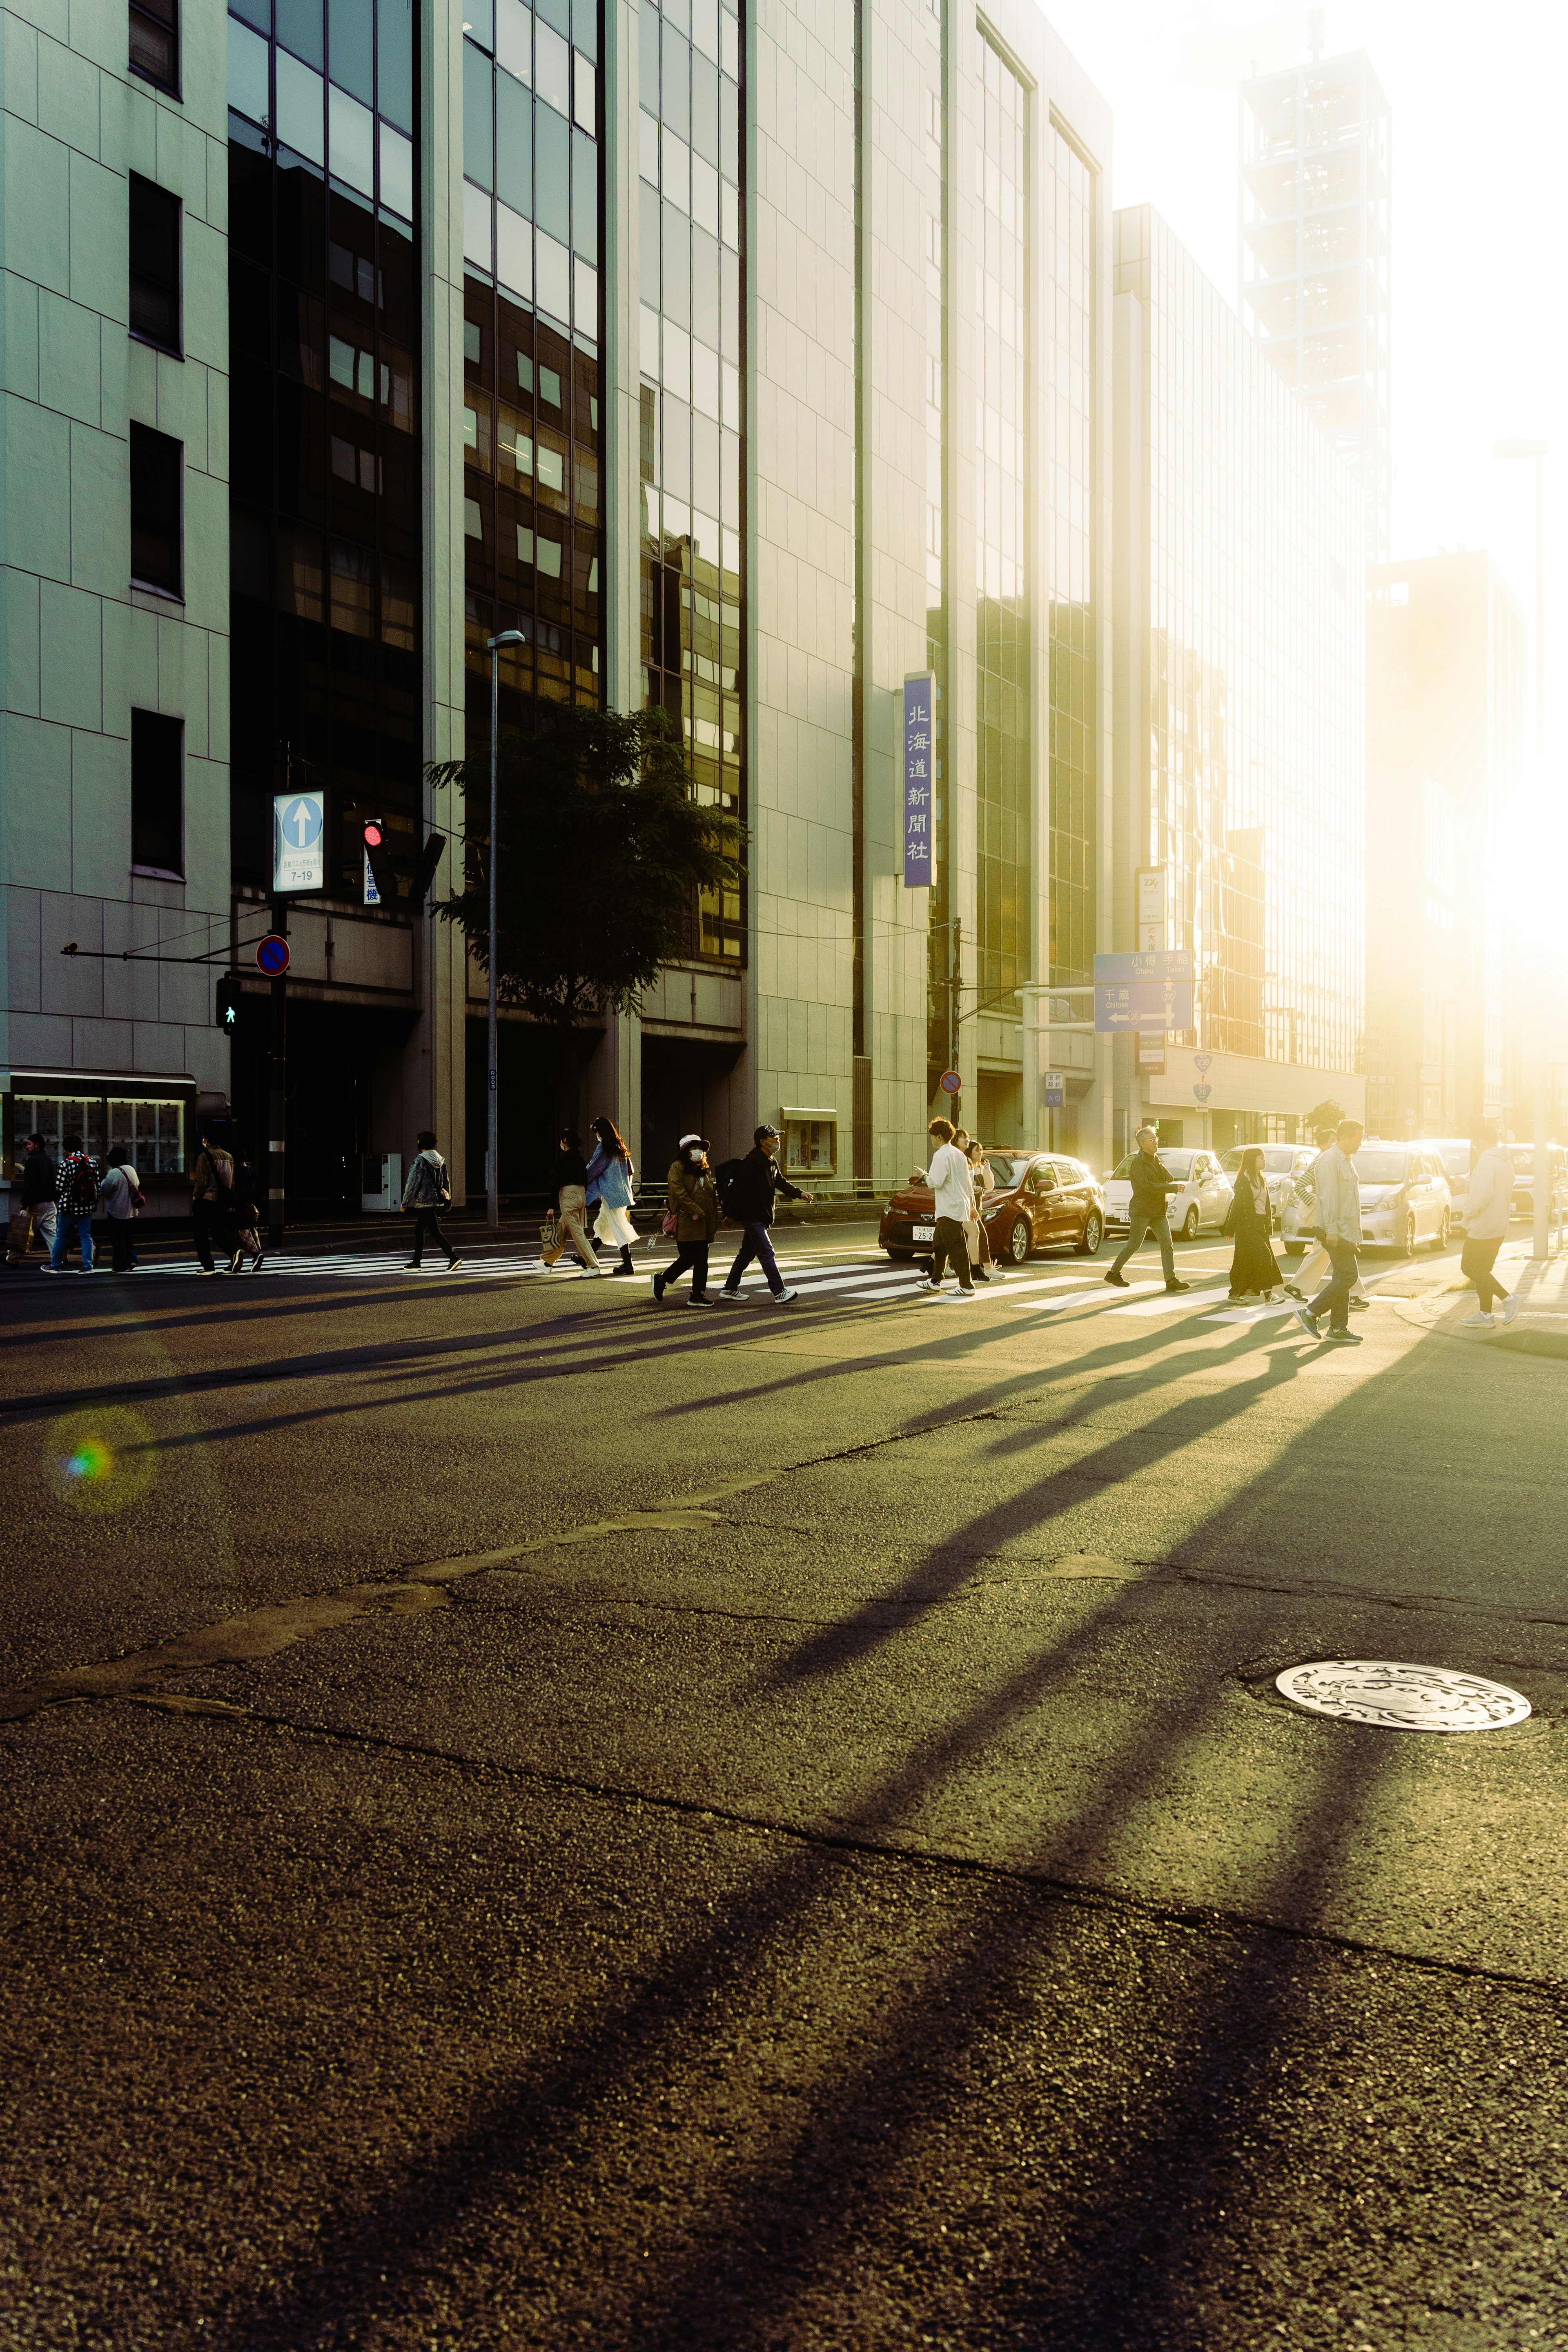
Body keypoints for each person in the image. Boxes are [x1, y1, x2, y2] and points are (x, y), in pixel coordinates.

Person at [715, 1125, 811, 1304]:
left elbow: (781, 1183)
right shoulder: (753, 1162)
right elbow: (739, 1191)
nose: (777, 1140)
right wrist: (731, 1215)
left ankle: (729, 1288)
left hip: (763, 1216)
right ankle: (779, 1292)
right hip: (753, 1217)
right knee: (767, 1252)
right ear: (763, 1142)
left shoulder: (771, 1161)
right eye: (774, 1137)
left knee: (746, 1255)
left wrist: (800, 1194)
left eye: (777, 1137)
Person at [1294, 1118, 1364, 1345]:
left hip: (1346, 1231)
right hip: (1335, 1231)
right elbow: (1329, 1198)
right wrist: (1333, 1230)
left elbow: (1349, 1200)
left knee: (1341, 1277)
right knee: (1348, 1276)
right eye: (1358, 1139)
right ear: (1344, 1137)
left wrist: (1355, 1234)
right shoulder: (1329, 1160)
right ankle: (1311, 1312)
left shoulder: (1346, 1160)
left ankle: (1338, 1328)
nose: (1360, 1144)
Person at [1103, 1127, 1188, 1293]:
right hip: (1142, 1210)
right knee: (1134, 1245)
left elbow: (1168, 1178)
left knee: (1167, 1245)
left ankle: (1171, 1280)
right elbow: (1146, 1187)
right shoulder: (1138, 1163)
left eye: (1156, 1138)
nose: (1156, 1142)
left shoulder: (1155, 1159)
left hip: (1158, 1211)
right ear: (1143, 1144)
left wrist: (1160, 1165)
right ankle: (1113, 1273)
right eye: (1152, 1140)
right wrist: (1172, 1188)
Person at [1457, 1123, 1518, 1331]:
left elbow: (1482, 1196)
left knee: (1470, 1268)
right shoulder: (1504, 1161)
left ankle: (1508, 1299)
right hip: (1499, 1225)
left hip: (1483, 1225)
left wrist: (1467, 1216)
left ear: (1482, 1142)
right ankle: (1485, 1315)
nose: (1474, 1147)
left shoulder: (1486, 1161)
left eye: (1474, 1144)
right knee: (1483, 1271)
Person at [653, 1134, 721, 1305]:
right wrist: (695, 1210)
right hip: (687, 1220)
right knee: (689, 1257)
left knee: (702, 1259)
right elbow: (678, 1191)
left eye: (700, 1149)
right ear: (685, 1151)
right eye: (694, 1148)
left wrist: (715, 1218)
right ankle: (662, 1280)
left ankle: (697, 1294)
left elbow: (711, 1196)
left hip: (704, 1222)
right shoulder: (678, 1167)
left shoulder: (704, 1169)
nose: (699, 1152)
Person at [916, 1117, 976, 1301]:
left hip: (948, 1207)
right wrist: (972, 1206)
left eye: (933, 1136)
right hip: (958, 1206)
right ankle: (935, 1281)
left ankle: (967, 1285)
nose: (931, 1140)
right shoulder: (959, 1155)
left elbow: (936, 1182)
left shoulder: (941, 1155)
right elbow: (968, 1184)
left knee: (956, 1247)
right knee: (940, 1245)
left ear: (940, 1136)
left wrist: (924, 1175)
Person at [541, 1127, 605, 1275]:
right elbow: (586, 1179)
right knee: (562, 1230)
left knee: (577, 1233)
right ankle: (547, 1263)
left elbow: (557, 1183)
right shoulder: (581, 1159)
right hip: (580, 1194)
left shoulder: (564, 1160)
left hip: (568, 1196)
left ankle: (593, 1266)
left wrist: (551, 1207)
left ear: (565, 1141)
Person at [1225, 1145, 1284, 1303]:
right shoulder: (1243, 1181)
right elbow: (1236, 1205)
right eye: (1261, 1158)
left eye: (1264, 1157)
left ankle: (1235, 1293)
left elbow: (1265, 1206)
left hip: (1259, 1225)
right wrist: (1230, 1229)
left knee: (1244, 1261)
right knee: (1264, 1256)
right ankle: (1269, 1295)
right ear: (1253, 1160)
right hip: (1246, 1226)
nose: (1265, 1161)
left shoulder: (1262, 1179)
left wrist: (1268, 1226)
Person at [401, 1130, 463, 1272]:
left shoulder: (420, 1160)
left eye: (418, 1141)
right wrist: (448, 1201)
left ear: (421, 1143)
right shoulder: (440, 1160)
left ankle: (453, 1258)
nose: (417, 1143)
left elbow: (412, 1183)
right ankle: (416, 1262)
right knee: (419, 1230)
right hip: (436, 1200)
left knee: (435, 1232)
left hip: (425, 1202)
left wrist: (405, 1202)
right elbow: (445, 1183)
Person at [586, 1116, 639, 1276]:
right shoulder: (620, 1146)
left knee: (618, 1227)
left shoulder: (604, 1148)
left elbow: (594, 1168)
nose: (597, 1135)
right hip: (622, 1193)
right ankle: (588, 1257)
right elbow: (631, 1171)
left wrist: (582, 1181)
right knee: (603, 1225)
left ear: (601, 1132)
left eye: (597, 1132)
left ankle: (627, 1264)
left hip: (610, 1195)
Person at [46, 1134, 98, 1273]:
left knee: (61, 1236)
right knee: (86, 1236)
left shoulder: (66, 1164)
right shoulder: (92, 1162)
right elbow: (96, 1186)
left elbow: (59, 1188)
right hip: (87, 1207)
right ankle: (88, 1267)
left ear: (66, 1149)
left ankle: (55, 1266)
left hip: (68, 1207)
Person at [189, 1129, 237, 1276]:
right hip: (222, 1201)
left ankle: (208, 1266)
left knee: (201, 1234)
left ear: (208, 1141)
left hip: (206, 1200)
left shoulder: (205, 1156)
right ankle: (235, 1253)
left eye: (204, 1138)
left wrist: (196, 1198)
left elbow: (201, 1181)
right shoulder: (229, 1157)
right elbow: (232, 1181)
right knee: (217, 1232)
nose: (203, 1140)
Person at [964, 1139, 1005, 1284]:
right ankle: (988, 1267)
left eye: (981, 1150)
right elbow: (967, 1187)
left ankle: (937, 1265)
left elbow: (990, 1186)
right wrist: (974, 1189)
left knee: (957, 1238)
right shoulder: (967, 1166)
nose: (980, 1153)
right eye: (977, 1150)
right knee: (980, 1235)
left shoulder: (980, 1167)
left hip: (977, 1207)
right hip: (967, 1207)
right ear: (969, 1151)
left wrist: (987, 1170)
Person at [11, 1134, 56, 1266]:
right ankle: (58, 1258)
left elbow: (30, 1185)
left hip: (35, 1204)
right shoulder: (49, 1161)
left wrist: (24, 1204)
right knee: (51, 1234)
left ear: (37, 1145)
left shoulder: (32, 1162)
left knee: (22, 1232)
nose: (27, 1147)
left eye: (30, 1144)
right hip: (50, 1204)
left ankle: (12, 1259)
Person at [98, 1145, 143, 1273]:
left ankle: (120, 1266)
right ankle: (132, 1260)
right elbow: (138, 1185)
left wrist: (103, 1181)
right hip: (132, 1211)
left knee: (118, 1240)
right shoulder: (131, 1170)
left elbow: (105, 1190)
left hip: (116, 1212)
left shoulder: (114, 1173)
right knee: (126, 1237)